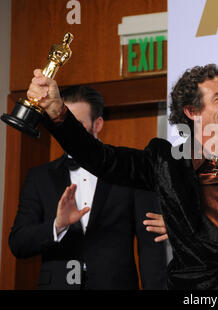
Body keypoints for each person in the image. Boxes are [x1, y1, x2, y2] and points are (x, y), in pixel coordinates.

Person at [26, 65, 218, 289]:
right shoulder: (166, 163)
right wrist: (57, 112)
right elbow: (101, 158)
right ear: (191, 111)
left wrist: (181, 227)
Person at [8, 85, 167, 290]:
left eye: (78, 124)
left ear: (98, 123)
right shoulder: (39, 177)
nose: (69, 132)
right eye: (66, 123)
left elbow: (151, 246)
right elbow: (18, 243)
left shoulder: (130, 170)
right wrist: (58, 225)